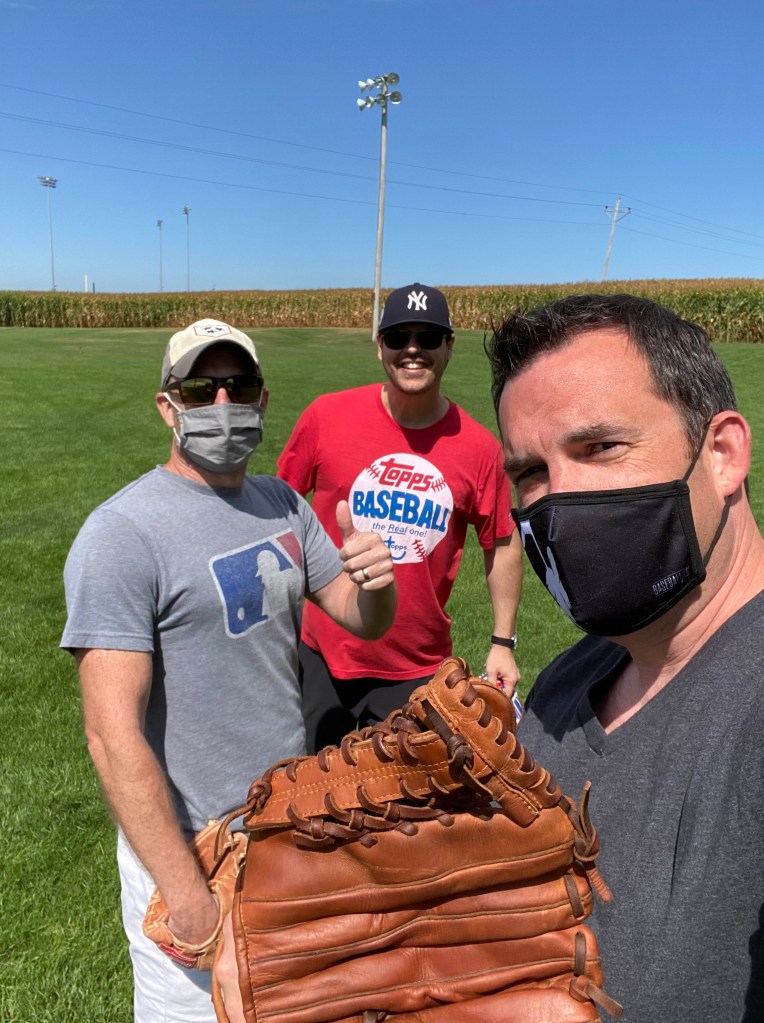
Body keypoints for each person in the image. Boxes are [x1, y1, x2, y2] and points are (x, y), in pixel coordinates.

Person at [60, 318, 396, 1023]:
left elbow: (362, 618)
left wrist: (377, 579)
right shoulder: (122, 534)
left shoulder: (283, 504)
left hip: (290, 827)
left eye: (239, 387)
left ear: (262, 401)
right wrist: (186, 894)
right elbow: (110, 735)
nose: (222, 404)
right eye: (200, 389)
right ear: (168, 406)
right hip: (193, 847)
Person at [487, 293, 764, 1022]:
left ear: (723, 454)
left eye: (600, 447)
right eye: (531, 472)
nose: (559, 498)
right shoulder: (565, 683)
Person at [277, 282, 523, 752]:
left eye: (427, 338)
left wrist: (503, 642)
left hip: (415, 666)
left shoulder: (479, 448)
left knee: (405, 797)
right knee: (310, 790)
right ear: (380, 347)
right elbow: (280, 512)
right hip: (322, 653)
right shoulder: (325, 417)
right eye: (398, 337)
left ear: (449, 347)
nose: (413, 349)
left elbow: (502, 542)